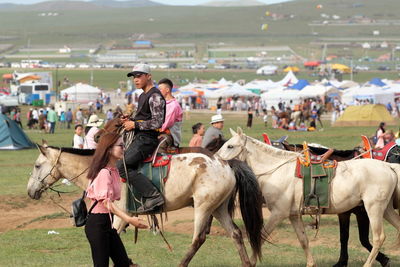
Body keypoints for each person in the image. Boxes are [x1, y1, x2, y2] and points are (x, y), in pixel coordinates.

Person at [85, 132, 148, 267]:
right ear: (109, 149)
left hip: (107, 223)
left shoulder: (113, 170)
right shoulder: (103, 173)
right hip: (97, 224)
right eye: (120, 145)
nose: (124, 148)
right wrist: (130, 219)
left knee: (123, 263)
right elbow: (107, 204)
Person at [117, 63, 166, 214]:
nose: (135, 80)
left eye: (139, 76)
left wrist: (135, 125)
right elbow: (145, 118)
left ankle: (153, 195)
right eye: (134, 77)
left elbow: (158, 122)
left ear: (148, 76)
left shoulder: (155, 95)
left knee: (122, 166)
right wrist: (130, 120)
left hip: (147, 140)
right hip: (140, 136)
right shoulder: (143, 95)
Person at [158, 78, 183, 148]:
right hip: (160, 132)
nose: (158, 91)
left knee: (157, 145)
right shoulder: (163, 103)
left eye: (160, 89)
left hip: (170, 136)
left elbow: (165, 125)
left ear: (167, 90)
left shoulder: (173, 106)